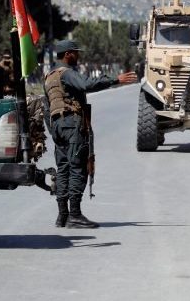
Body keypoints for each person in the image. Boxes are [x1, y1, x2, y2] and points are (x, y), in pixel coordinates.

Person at [44, 40, 137, 228]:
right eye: (76, 52)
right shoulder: (67, 73)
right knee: (78, 167)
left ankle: (62, 216)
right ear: (68, 54)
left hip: (58, 127)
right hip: (72, 125)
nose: (78, 56)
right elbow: (87, 84)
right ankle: (75, 215)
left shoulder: (49, 77)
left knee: (63, 170)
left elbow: (46, 109)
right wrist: (115, 80)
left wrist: (54, 129)